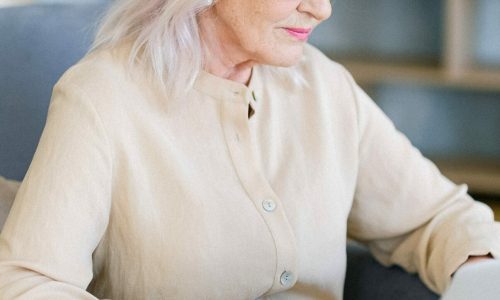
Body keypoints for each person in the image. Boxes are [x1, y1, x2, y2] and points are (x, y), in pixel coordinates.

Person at [0, 0, 499, 299]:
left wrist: (479, 269)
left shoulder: (324, 86)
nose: (322, 9)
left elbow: (433, 215)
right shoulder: (102, 97)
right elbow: (31, 281)